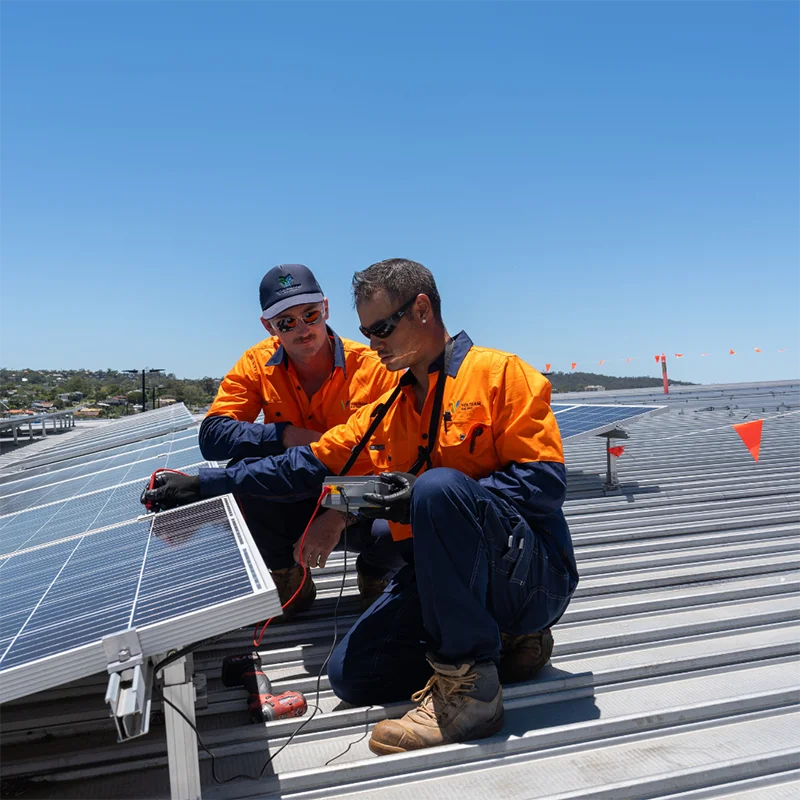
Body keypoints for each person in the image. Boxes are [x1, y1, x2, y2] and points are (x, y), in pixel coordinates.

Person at [143, 258, 578, 755]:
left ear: (421, 310)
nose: (373, 345)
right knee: (352, 675)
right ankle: (500, 640)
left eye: (382, 329)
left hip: (529, 576)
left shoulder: (500, 375)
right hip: (443, 575)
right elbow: (306, 464)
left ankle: (472, 693)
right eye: (367, 332)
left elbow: (543, 484)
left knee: (436, 489)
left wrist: (430, 497)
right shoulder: (389, 403)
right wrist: (205, 483)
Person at [198, 263, 402, 617]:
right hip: (294, 491)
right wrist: (286, 435)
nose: (304, 329)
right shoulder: (257, 363)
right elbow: (213, 435)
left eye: (310, 314)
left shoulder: (373, 368)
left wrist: (338, 513)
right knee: (242, 473)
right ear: (269, 327)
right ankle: (287, 573)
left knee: (403, 520)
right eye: (287, 322)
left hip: (358, 496)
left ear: (326, 308)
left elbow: (395, 463)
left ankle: (374, 573)